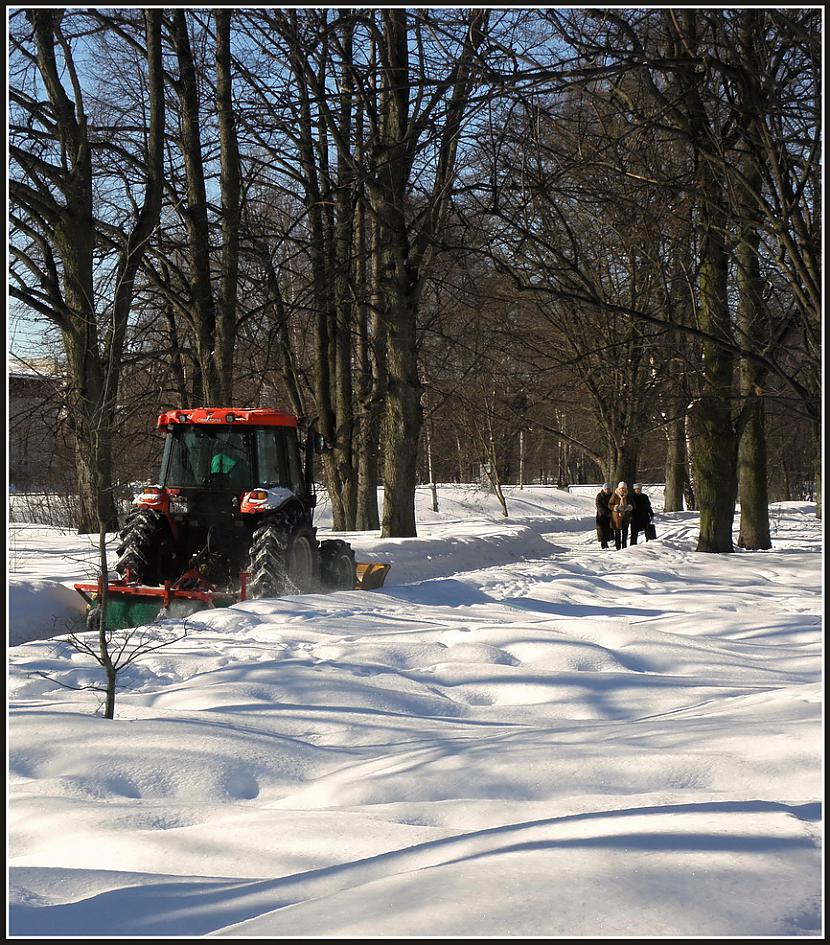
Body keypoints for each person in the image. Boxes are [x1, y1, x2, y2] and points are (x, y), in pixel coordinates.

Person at [609, 481, 633, 549]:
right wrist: (615, 507)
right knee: (617, 534)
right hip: (617, 517)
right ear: (619, 488)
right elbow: (609, 505)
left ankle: (624, 548)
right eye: (621, 488)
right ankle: (618, 548)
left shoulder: (628, 495)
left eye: (624, 488)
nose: (622, 490)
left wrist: (629, 507)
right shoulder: (615, 495)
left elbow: (633, 504)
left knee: (625, 534)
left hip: (626, 517)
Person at [595, 483, 613, 549]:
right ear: (603, 489)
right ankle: (603, 544)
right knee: (602, 530)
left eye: (608, 489)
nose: (607, 490)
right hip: (601, 516)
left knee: (609, 530)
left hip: (610, 516)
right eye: (606, 489)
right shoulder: (599, 496)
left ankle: (608, 542)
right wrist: (606, 513)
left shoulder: (612, 495)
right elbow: (599, 506)